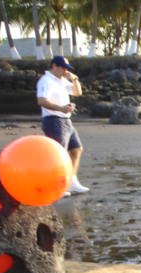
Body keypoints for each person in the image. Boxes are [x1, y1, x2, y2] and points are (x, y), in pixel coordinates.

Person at [36, 55, 89, 195]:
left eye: (66, 68)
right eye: (62, 67)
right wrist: (60, 108)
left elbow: (78, 92)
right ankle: (57, 186)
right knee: (59, 154)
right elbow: (41, 101)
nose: (65, 70)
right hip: (53, 119)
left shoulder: (62, 81)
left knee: (76, 149)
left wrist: (74, 78)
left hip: (66, 119)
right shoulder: (46, 81)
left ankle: (71, 181)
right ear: (54, 66)